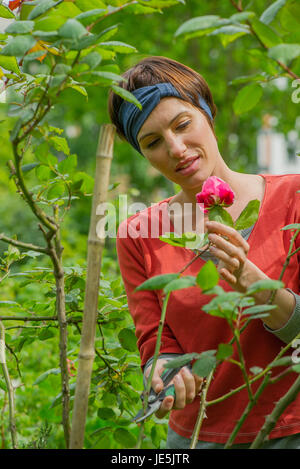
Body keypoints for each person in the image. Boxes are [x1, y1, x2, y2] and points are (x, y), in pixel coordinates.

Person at [108, 56, 300, 449]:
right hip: (197, 439)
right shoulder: (137, 234)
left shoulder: (293, 199)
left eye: (182, 124)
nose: (176, 149)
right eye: (153, 142)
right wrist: (162, 372)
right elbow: (154, 340)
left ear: (207, 112)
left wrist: (258, 287)